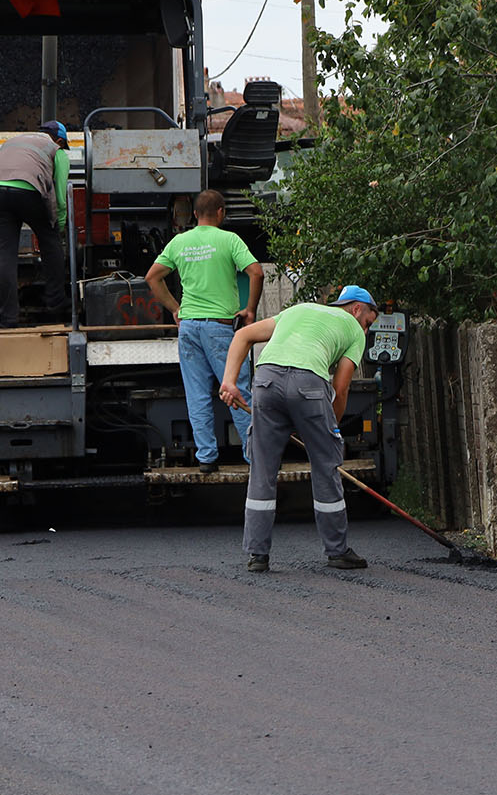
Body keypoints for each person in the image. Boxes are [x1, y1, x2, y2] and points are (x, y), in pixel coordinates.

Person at [220, 286, 379, 572]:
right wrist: (332, 431)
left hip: (266, 380)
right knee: (325, 465)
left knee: (263, 468)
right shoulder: (353, 331)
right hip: (309, 384)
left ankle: (257, 555)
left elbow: (243, 335)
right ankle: (337, 551)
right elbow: (340, 389)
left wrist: (229, 381)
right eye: (368, 322)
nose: (366, 330)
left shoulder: (298, 310)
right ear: (357, 309)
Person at [145, 189, 265, 469]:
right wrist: (250, 310)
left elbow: (153, 277)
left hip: (188, 328)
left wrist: (175, 308)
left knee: (197, 395)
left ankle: (207, 458)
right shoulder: (229, 239)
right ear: (221, 212)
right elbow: (256, 272)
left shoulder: (179, 242)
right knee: (238, 391)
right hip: (220, 329)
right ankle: (255, 457)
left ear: (195, 214)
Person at [0, 121, 71, 327]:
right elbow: (59, 195)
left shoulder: (13, 141)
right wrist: (59, 224)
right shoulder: (57, 150)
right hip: (28, 188)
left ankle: (8, 319)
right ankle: (56, 304)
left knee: (4, 255)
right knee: (50, 242)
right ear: (59, 140)